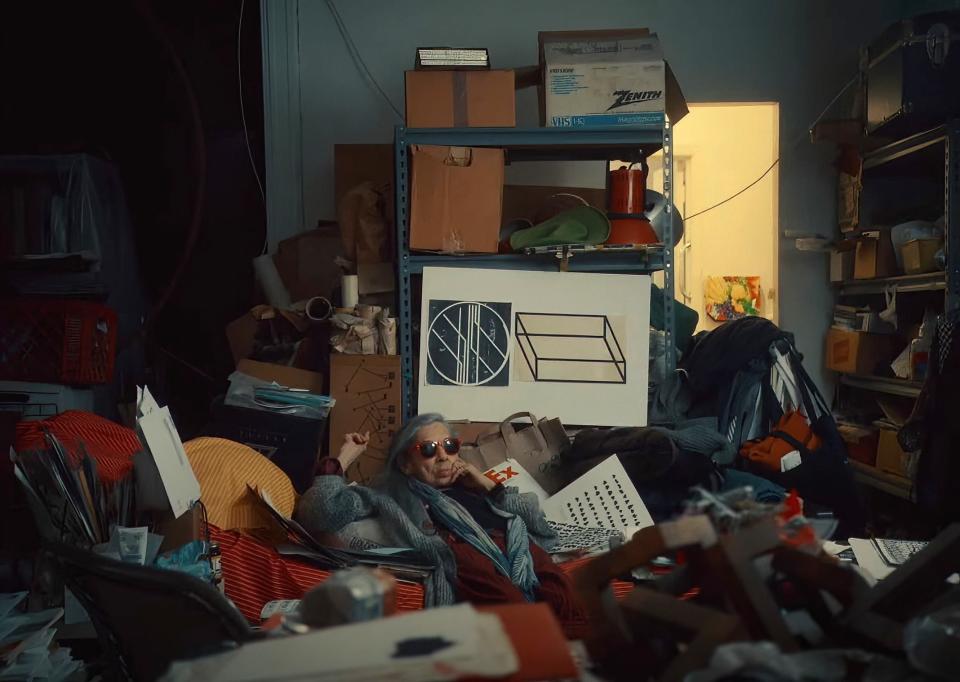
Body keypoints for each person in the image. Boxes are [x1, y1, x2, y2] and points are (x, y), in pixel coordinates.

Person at [296, 413, 587, 637]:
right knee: (513, 607)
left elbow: (538, 523)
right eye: (428, 449)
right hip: (458, 550)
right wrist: (345, 455)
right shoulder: (389, 496)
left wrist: (487, 485)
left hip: (516, 541)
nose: (443, 456)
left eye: (450, 445)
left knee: (566, 598)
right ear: (405, 464)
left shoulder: (472, 486)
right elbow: (319, 513)